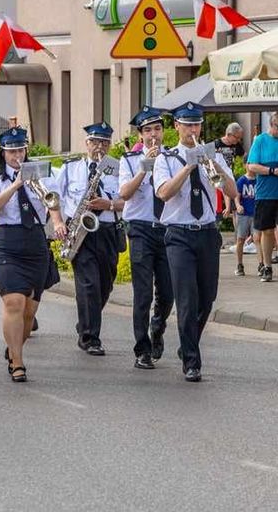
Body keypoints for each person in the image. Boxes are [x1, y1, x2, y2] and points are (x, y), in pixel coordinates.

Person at [153, 102, 239, 383]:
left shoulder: (212, 155)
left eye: (196, 124)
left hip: (207, 232)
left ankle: (187, 343)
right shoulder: (165, 158)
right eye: (187, 124)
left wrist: (212, 163)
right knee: (187, 299)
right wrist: (189, 166)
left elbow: (232, 190)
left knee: (207, 297)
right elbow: (164, 193)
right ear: (176, 126)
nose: (193, 130)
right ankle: (192, 360)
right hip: (178, 234)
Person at [0, 127, 51, 383]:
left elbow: (53, 202)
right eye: (11, 151)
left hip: (35, 242)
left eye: (20, 150)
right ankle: (18, 362)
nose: (16, 155)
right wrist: (16, 185)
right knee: (14, 303)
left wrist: (60, 220)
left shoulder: (41, 173)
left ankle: (13, 348)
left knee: (29, 313)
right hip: (5, 242)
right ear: (4, 152)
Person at [52, 122, 122, 356]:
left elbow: (129, 201)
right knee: (88, 284)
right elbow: (54, 198)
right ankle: (90, 337)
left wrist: (109, 204)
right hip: (79, 230)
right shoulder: (71, 168)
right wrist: (59, 223)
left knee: (105, 284)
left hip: (107, 230)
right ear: (87, 144)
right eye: (95, 142)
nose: (99, 147)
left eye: (104, 142)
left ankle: (86, 321)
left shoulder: (118, 169)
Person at [118, 107, 174, 370]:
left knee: (168, 291)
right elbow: (125, 194)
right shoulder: (128, 161)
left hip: (166, 228)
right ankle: (142, 349)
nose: (154, 135)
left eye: (158, 129)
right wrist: (144, 169)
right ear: (140, 134)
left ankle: (158, 327)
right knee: (142, 292)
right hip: (140, 228)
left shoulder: (173, 158)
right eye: (148, 130)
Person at [245, 111, 278, 283]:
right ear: (272, 125)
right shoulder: (260, 141)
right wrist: (273, 171)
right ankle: (267, 266)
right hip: (265, 194)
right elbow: (251, 166)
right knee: (267, 231)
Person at [233, 169, 259, 276]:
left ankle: (261, 264)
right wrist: (238, 205)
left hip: (256, 213)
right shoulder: (241, 180)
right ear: (246, 165)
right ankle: (239, 264)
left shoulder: (258, 180)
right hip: (243, 214)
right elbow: (236, 196)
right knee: (240, 239)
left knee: (258, 239)